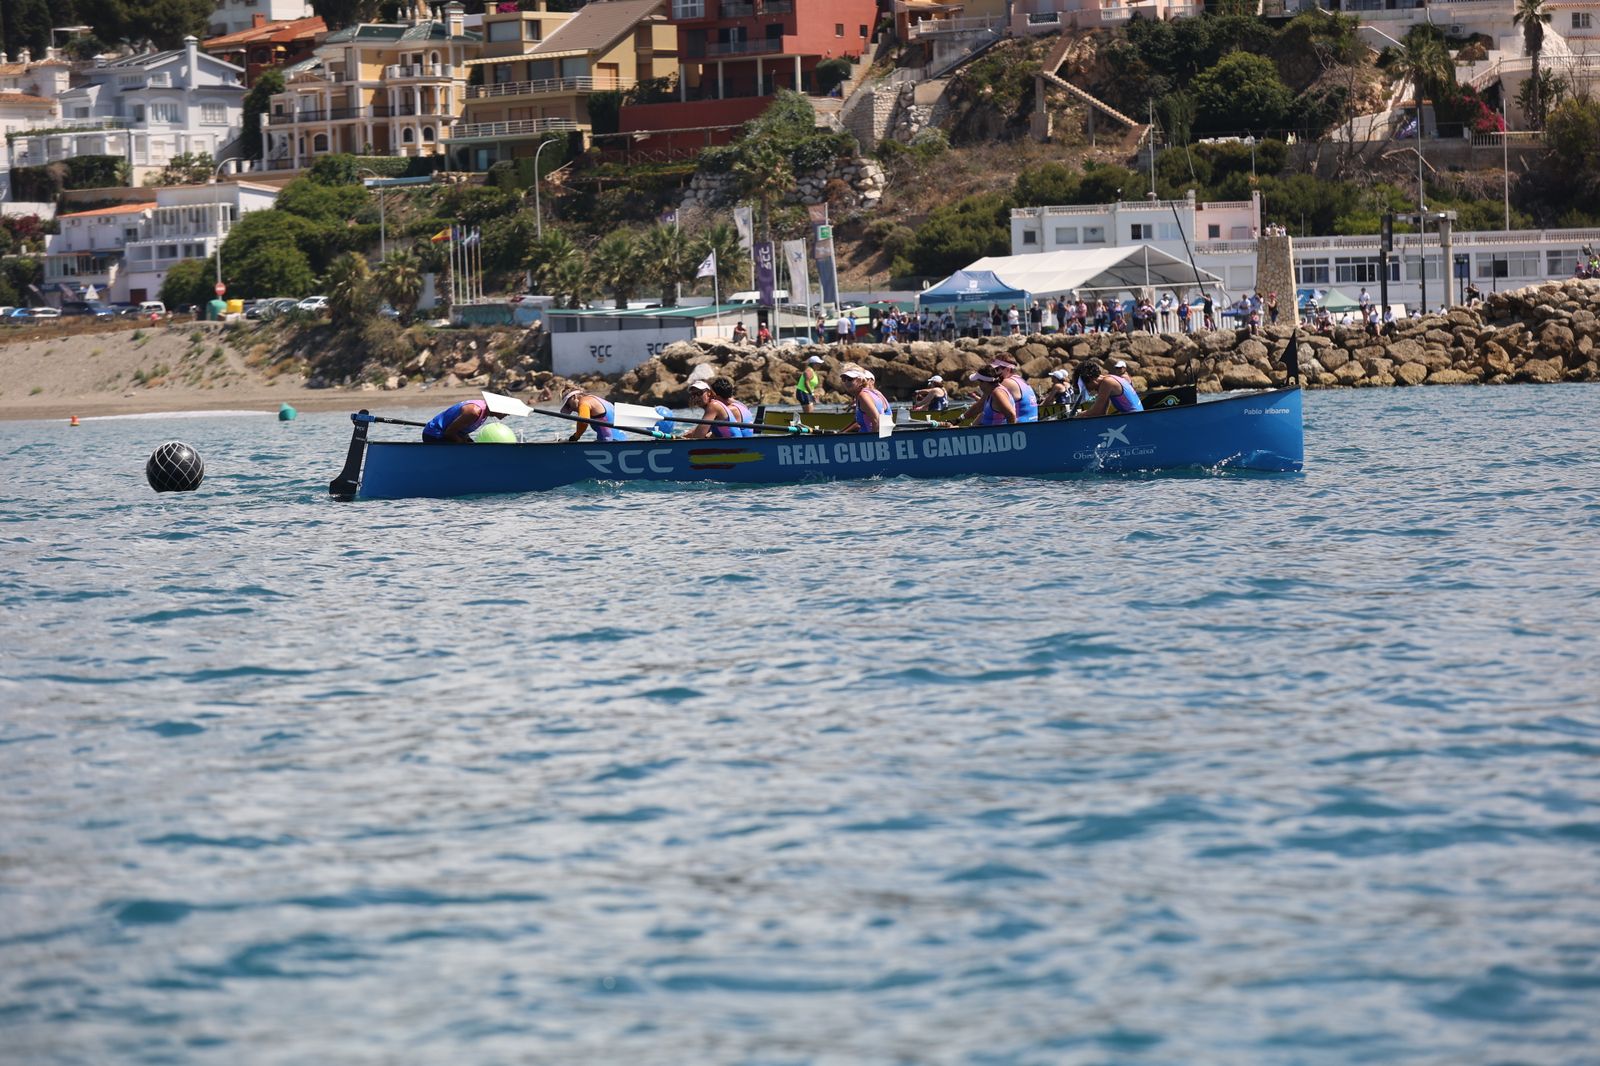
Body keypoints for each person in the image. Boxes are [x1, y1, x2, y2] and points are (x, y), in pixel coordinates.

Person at [972, 358, 1039, 426]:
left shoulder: (1004, 384)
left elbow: (981, 405)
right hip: (1032, 424)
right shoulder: (1021, 380)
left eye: (997, 369)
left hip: (1021, 428)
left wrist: (968, 425)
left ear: (1008, 369)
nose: (994, 372)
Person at [422, 395, 510, 444]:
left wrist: (467, 440)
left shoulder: (485, 411)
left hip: (449, 434)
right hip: (434, 435)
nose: (508, 414)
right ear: (497, 407)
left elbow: (461, 430)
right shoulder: (473, 412)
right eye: (507, 409)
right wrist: (462, 444)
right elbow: (449, 433)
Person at [1074, 359, 1144, 417]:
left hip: (1135, 418)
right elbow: (1102, 412)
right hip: (1135, 416)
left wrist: (1076, 415)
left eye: (1086, 387)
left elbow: (1096, 412)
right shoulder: (1108, 378)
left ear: (1092, 379)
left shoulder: (1107, 382)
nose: (1089, 390)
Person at [559, 388, 628, 442]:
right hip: (623, 440)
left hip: (610, 443)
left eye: (568, 405)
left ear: (574, 397)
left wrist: (574, 438)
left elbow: (583, 422)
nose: (570, 409)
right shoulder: (599, 399)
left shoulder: (584, 402)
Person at [840, 365, 890, 434]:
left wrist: (874, 442)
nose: (846, 382)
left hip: (870, 441)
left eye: (850, 379)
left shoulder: (863, 396)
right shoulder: (870, 394)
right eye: (844, 379)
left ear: (860, 380)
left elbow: (877, 421)